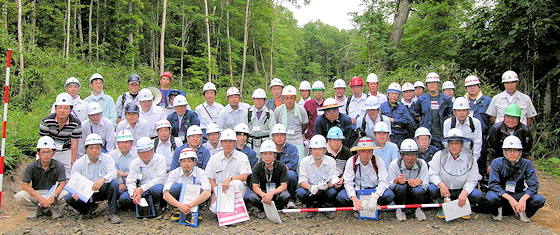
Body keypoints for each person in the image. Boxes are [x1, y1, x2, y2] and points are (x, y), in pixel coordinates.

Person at [485, 135, 545, 222]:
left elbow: (534, 185)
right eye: (509, 150)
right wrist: (510, 199)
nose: (512, 153)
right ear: (504, 151)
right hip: (502, 194)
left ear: (520, 152)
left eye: (516, 150)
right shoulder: (497, 162)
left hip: (518, 193)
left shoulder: (527, 164)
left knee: (539, 199)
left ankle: (523, 212)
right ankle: (498, 210)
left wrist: (524, 199)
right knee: (490, 197)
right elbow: (493, 184)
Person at [65, 134, 121, 224]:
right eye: (91, 148)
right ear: (86, 149)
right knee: (69, 198)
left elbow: (113, 173)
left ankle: (112, 212)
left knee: (113, 184)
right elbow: (73, 181)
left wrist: (103, 179)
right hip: (86, 192)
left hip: (102, 189)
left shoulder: (107, 158)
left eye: (97, 147)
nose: (94, 150)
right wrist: (75, 192)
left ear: (101, 148)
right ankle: (87, 210)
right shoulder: (78, 163)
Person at [428, 128, 482, 219]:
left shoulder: (470, 159)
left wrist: (465, 192)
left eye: (457, 143)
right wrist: (441, 185)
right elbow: (432, 174)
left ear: (462, 144)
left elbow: (472, 180)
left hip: (460, 190)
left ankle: (462, 205)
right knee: (432, 189)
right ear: (447, 144)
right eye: (451, 143)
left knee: (477, 195)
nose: (454, 146)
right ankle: (443, 204)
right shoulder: (439, 155)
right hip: (444, 190)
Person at [335, 136, 395, 216]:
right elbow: (348, 182)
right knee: (341, 196)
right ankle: (358, 207)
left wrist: (375, 197)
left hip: (374, 190)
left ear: (373, 151)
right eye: (363, 151)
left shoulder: (378, 160)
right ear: (358, 152)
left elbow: (383, 181)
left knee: (389, 195)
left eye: (369, 151)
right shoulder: (351, 161)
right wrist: (354, 199)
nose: (366, 155)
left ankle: (374, 207)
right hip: (358, 191)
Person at [15, 136, 67, 220]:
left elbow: (62, 183)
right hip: (37, 193)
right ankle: (35, 210)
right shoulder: (31, 166)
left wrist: (54, 195)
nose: (46, 155)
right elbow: (24, 185)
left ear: (53, 153)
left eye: (49, 152)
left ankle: (55, 209)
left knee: (66, 194)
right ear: (38, 153)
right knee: (19, 196)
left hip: (53, 193)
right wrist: (39, 197)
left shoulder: (59, 166)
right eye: (43, 152)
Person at [205, 129, 252, 212]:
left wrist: (229, 179)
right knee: (215, 209)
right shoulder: (214, 159)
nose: (227, 144)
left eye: (230, 141)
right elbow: (210, 178)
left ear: (235, 143)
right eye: (225, 141)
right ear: (221, 143)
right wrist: (216, 193)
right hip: (220, 190)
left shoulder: (242, 157)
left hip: (237, 190)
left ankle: (237, 211)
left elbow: (245, 176)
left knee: (236, 183)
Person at [120, 137, 167, 217]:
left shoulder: (160, 159)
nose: (145, 154)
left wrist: (142, 188)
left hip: (153, 188)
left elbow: (160, 178)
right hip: (141, 191)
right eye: (142, 152)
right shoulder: (134, 163)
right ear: (138, 153)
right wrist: (133, 194)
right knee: (123, 198)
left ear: (153, 150)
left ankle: (162, 207)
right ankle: (141, 207)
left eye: (148, 151)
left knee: (158, 189)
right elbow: (130, 181)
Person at [39, 92, 82, 178]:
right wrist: (46, 157)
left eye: (66, 108)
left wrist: (72, 163)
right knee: (41, 171)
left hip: (66, 150)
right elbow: (43, 142)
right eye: (60, 108)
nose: (62, 111)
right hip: (48, 149)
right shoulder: (46, 121)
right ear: (55, 109)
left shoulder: (75, 123)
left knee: (71, 174)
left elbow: (74, 145)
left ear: (70, 110)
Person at [296, 135, 339, 219]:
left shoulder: (331, 161)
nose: (317, 152)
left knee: (332, 192)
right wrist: (311, 187)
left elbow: (334, 179)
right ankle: (310, 205)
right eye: (314, 149)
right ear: (311, 150)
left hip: (325, 191)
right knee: (300, 192)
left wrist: (327, 185)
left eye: (320, 149)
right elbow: (302, 181)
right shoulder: (305, 161)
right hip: (310, 191)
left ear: (325, 150)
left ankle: (325, 205)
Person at [162, 148, 212, 221]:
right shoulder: (174, 173)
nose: (186, 164)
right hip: (179, 203)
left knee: (201, 190)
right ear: (180, 162)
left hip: (195, 202)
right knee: (175, 187)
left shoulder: (201, 173)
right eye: (183, 161)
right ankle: (177, 210)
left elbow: (207, 193)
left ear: (195, 162)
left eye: (189, 161)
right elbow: (165, 194)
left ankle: (197, 210)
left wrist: (190, 206)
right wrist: (180, 206)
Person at [246, 140, 290, 219]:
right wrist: (264, 195)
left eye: (270, 154)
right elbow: (255, 186)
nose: (268, 156)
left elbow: (284, 186)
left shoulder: (281, 166)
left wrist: (272, 193)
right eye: (265, 154)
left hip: (276, 192)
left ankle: (278, 209)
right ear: (261, 155)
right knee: (252, 197)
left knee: (285, 195)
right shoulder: (256, 167)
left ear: (275, 154)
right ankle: (262, 210)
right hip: (263, 193)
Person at [387, 139, 429, 221]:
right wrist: (395, 181)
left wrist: (420, 181)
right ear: (402, 155)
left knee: (419, 190)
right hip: (400, 194)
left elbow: (426, 185)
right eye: (407, 155)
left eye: (413, 155)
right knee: (401, 187)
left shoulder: (422, 164)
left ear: (417, 155)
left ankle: (417, 208)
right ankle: (400, 209)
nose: (410, 158)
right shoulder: (394, 164)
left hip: (414, 193)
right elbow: (388, 186)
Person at [412, 72, 453, 150]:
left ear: (438, 84)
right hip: (426, 134)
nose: (431, 85)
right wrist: (424, 121)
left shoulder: (446, 99)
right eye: (429, 83)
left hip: (441, 134)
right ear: (427, 85)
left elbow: (450, 115)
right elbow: (416, 114)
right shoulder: (421, 99)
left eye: (434, 82)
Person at [486, 103, 533, 171]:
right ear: (504, 117)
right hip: (499, 159)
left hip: (518, 161)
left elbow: (526, 151)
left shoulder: (525, 130)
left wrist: (525, 167)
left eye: (514, 118)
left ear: (519, 119)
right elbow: (491, 150)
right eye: (508, 117)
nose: (511, 120)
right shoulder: (496, 129)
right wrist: (491, 165)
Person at [274, 85, 308, 162]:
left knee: (300, 163)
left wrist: (299, 133)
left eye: (291, 98)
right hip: (282, 142)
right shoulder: (278, 110)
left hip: (297, 140)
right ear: (283, 99)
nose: (289, 100)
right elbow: (275, 125)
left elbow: (305, 124)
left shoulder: (301, 110)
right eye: (287, 98)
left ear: (295, 98)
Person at [269, 123, 300, 209]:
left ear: (285, 137)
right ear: (272, 137)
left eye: (282, 135)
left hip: (286, 174)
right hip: (271, 174)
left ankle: (291, 199)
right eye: (277, 135)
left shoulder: (292, 148)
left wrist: (279, 170)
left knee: (291, 175)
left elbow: (293, 164)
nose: (279, 138)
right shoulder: (268, 148)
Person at [380, 82, 415, 147]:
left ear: (399, 96)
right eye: (392, 93)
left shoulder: (402, 107)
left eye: (396, 94)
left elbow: (407, 121)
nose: (394, 96)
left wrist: (393, 120)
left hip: (400, 137)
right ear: (388, 94)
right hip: (385, 137)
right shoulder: (382, 107)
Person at [243, 88, 276, 154]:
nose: (258, 101)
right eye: (256, 99)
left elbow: (272, 130)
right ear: (253, 100)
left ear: (265, 100)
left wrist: (270, 143)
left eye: (261, 99)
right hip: (250, 144)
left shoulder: (269, 113)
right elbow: (244, 130)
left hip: (265, 143)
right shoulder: (247, 113)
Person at [108, 129, 138, 197]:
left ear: (131, 143)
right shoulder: (112, 155)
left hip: (136, 181)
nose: (124, 144)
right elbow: (111, 170)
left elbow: (141, 171)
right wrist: (120, 182)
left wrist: (126, 174)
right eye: (121, 142)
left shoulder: (137, 153)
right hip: (121, 182)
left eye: (126, 142)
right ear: (117, 143)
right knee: (116, 191)